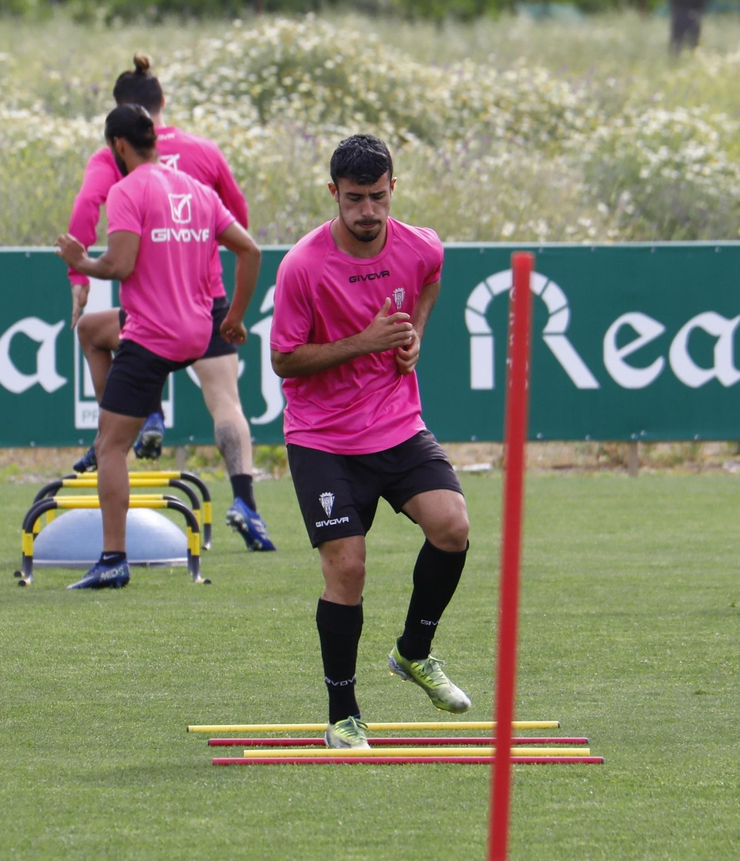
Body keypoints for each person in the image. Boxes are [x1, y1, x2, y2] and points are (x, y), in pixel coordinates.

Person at [269, 135, 472, 750]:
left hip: (397, 425)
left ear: (393, 189)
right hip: (323, 438)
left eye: (378, 197)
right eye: (354, 198)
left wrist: (414, 339)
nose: (367, 211)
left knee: (453, 527)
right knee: (348, 568)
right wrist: (367, 340)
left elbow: (431, 277)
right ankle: (342, 713)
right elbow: (284, 359)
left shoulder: (419, 245)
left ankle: (414, 652)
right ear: (332, 193)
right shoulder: (302, 265)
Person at [66, 54, 274, 552]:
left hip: (154, 317)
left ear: (119, 125)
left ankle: (146, 418)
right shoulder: (202, 155)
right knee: (226, 403)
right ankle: (246, 502)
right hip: (208, 305)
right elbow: (241, 221)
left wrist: (79, 269)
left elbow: (86, 212)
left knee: (95, 339)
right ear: (162, 108)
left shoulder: (114, 168)